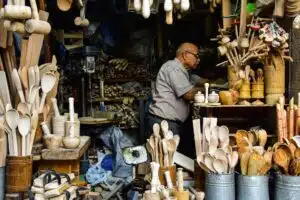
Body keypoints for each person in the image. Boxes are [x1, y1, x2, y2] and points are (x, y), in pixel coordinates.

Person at [147, 42, 207, 136]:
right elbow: (188, 94)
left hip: (169, 122)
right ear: (185, 55)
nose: (198, 60)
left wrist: (210, 84)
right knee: (166, 150)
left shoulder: (183, 71)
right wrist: (208, 90)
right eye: (196, 56)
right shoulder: (173, 68)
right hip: (164, 122)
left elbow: (200, 81)